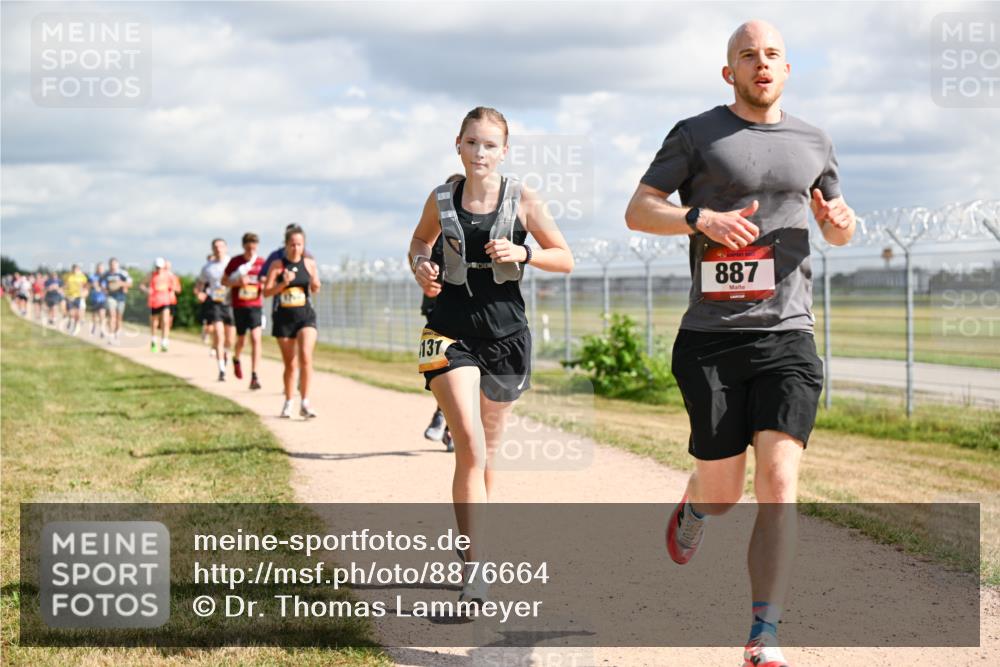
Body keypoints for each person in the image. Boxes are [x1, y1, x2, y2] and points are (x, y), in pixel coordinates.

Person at [624, 20, 856, 667]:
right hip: (711, 341)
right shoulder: (696, 135)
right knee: (725, 493)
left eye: (773, 54)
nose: (762, 62)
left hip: (788, 334)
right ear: (729, 72)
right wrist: (698, 217)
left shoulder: (815, 140)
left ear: (788, 68)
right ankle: (695, 504)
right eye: (748, 54)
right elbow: (638, 209)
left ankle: (764, 633)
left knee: (779, 483)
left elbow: (837, 226)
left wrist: (839, 223)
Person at [408, 107, 573, 605]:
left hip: (506, 337)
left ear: (505, 150)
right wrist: (421, 265)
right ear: (457, 144)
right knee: (471, 447)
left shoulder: (523, 201)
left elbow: (564, 257)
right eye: (472, 143)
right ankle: (475, 568)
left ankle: (474, 538)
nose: (480, 153)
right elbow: (420, 241)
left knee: (489, 453)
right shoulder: (441, 199)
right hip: (449, 334)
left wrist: (525, 254)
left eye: (490, 145)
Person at [420, 173, 466, 454]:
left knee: (463, 375)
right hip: (437, 312)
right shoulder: (435, 232)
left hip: (470, 314)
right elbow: (422, 260)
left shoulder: (474, 232)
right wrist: (426, 280)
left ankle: (447, 425)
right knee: (439, 369)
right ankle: (442, 414)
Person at [263, 225, 320, 418]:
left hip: (305, 316)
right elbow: (266, 292)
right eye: (292, 244)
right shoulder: (277, 265)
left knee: (305, 356)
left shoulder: (309, 263)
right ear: (286, 245)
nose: (296, 248)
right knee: (290, 364)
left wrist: (314, 283)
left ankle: (305, 402)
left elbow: (315, 287)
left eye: (299, 244)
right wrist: (283, 283)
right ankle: (288, 401)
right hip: (284, 318)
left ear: (304, 245)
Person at [224, 232, 266, 390]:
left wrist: (264, 282)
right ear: (243, 246)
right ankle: (236, 358)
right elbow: (224, 281)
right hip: (239, 305)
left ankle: (254, 376)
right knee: (241, 340)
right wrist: (237, 283)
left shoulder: (262, 262)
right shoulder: (235, 262)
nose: (250, 251)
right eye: (248, 248)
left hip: (256, 305)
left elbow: (269, 279)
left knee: (256, 338)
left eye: (253, 248)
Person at [195, 239, 234, 381]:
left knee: (230, 339)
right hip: (215, 302)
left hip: (230, 302)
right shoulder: (207, 267)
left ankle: (226, 355)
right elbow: (200, 283)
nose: (218, 249)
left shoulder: (232, 263)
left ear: (226, 248)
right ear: (212, 249)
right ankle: (221, 369)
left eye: (221, 246)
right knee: (218, 333)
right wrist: (199, 293)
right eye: (215, 247)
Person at [139, 258, 175, 352]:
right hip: (154, 301)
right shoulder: (151, 275)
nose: (158, 269)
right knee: (154, 323)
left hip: (165, 301)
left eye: (160, 267)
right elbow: (141, 285)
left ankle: (164, 342)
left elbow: (173, 286)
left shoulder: (168, 275)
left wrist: (171, 292)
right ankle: (153, 340)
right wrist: (147, 290)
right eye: (157, 267)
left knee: (165, 321)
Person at [104, 258, 132, 344]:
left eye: (114, 264)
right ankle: (111, 335)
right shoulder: (106, 274)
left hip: (121, 298)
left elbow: (130, 283)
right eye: (111, 264)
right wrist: (105, 289)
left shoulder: (123, 273)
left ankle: (117, 335)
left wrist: (121, 284)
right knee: (112, 316)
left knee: (119, 318)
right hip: (111, 297)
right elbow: (102, 284)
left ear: (117, 264)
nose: (113, 266)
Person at [62, 264, 89, 335]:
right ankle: (71, 322)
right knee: (71, 313)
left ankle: (76, 326)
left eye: (76, 269)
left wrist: (84, 293)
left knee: (77, 313)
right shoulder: (67, 276)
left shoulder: (82, 277)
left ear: (78, 269)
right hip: (69, 296)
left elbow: (86, 286)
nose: (75, 270)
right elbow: (65, 285)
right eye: (73, 269)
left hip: (78, 296)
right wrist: (65, 292)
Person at [87, 262, 109, 337]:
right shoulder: (92, 277)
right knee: (94, 315)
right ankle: (94, 327)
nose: (100, 270)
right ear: (96, 269)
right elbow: (87, 286)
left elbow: (108, 289)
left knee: (102, 315)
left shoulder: (106, 278)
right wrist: (92, 285)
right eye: (99, 268)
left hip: (102, 299)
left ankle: (102, 330)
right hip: (94, 298)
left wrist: (102, 289)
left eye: (101, 268)